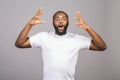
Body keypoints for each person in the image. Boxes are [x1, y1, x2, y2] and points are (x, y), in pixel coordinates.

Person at [15, 8, 107, 80]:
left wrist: (88, 29)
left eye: (64, 19)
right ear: (53, 22)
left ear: (68, 22)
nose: (60, 21)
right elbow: (19, 43)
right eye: (57, 19)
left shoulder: (76, 39)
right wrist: (29, 25)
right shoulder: (43, 37)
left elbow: (102, 46)